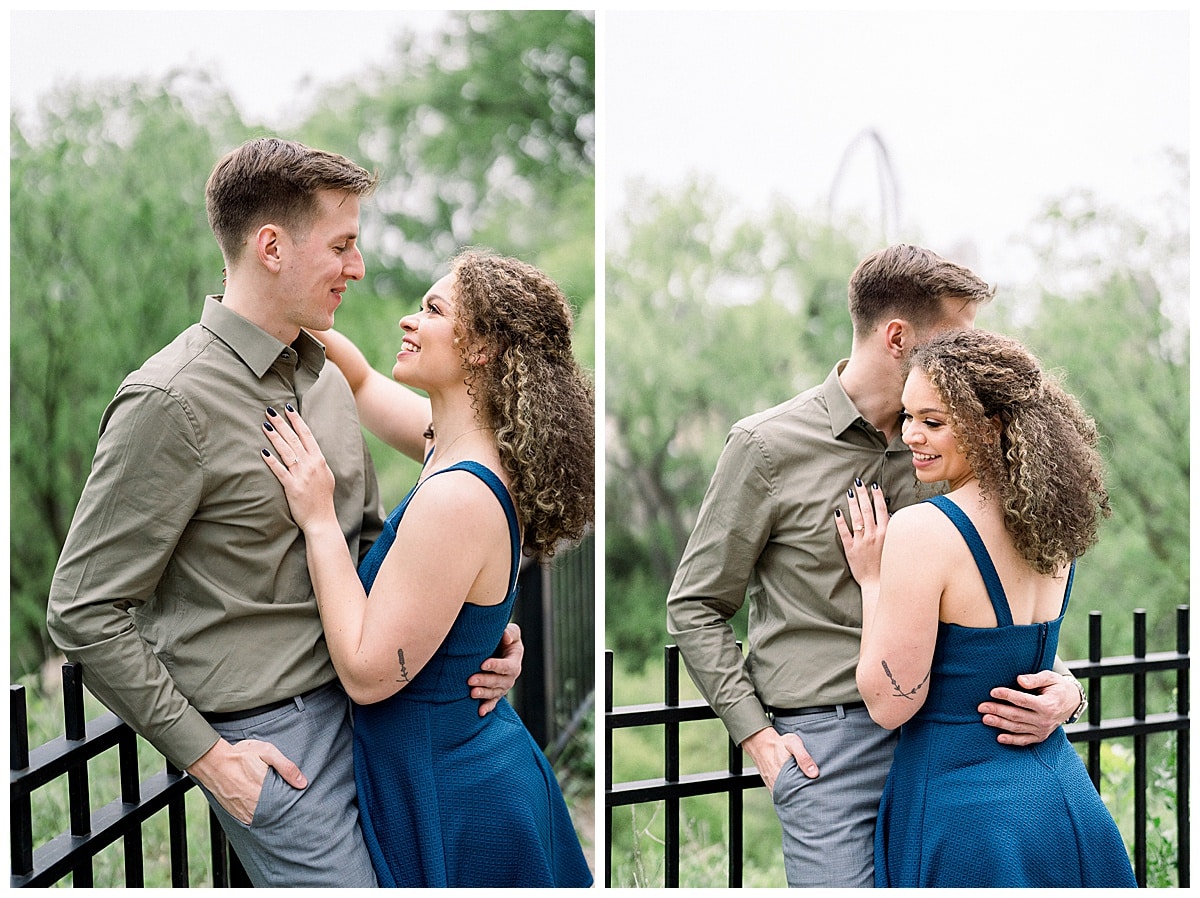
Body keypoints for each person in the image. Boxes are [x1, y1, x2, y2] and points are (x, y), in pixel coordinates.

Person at [45, 138, 523, 888]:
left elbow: (374, 546)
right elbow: (83, 608)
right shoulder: (170, 401)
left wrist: (468, 628)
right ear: (271, 246)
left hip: (375, 720)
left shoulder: (328, 378)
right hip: (276, 747)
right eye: (341, 246)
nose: (357, 268)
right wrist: (210, 759)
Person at [665, 245, 1090, 888]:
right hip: (830, 754)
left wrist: (1065, 686)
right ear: (899, 337)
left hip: (949, 745)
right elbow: (694, 605)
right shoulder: (766, 446)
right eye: (956, 336)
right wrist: (757, 739)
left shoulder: (955, 454)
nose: (969, 354)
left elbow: (985, 595)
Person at [257, 248, 595, 887]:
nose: (410, 321)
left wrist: (320, 517)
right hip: (443, 766)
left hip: (456, 800)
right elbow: (357, 381)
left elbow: (365, 672)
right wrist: (276, 296)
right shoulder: (457, 445)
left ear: (482, 349)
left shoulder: (460, 494)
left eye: (433, 310)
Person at [836, 329, 1136, 887]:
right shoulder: (1049, 522)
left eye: (934, 422)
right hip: (1058, 798)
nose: (911, 437)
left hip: (965, 815)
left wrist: (874, 579)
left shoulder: (924, 530)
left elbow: (888, 704)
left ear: (989, 425)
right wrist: (1070, 692)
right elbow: (1022, 657)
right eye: (908, 417)